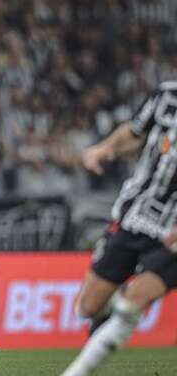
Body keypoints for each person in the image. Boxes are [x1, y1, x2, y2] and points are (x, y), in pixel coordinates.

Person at [61, 81, 177, 376]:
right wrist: (105, 149)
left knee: (131, 305)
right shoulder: (167, 96)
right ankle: (123, 295)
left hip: (172, 231)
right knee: (87, 307)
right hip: (135, 215)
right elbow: (135, 131)